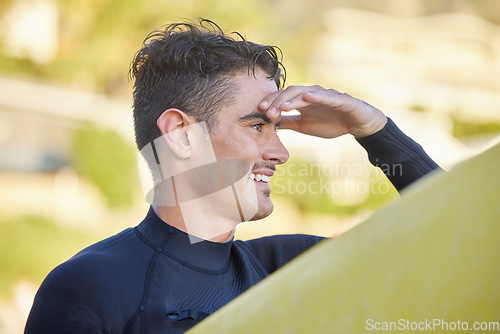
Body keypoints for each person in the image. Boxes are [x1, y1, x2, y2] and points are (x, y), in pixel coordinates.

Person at [24, 19, 440, 333]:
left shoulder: (285, 267)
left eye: (276, 129)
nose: (280, 152)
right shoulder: (89, 288)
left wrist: (372, 127)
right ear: (182, 134)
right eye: (257, 126)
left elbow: (473, 241)